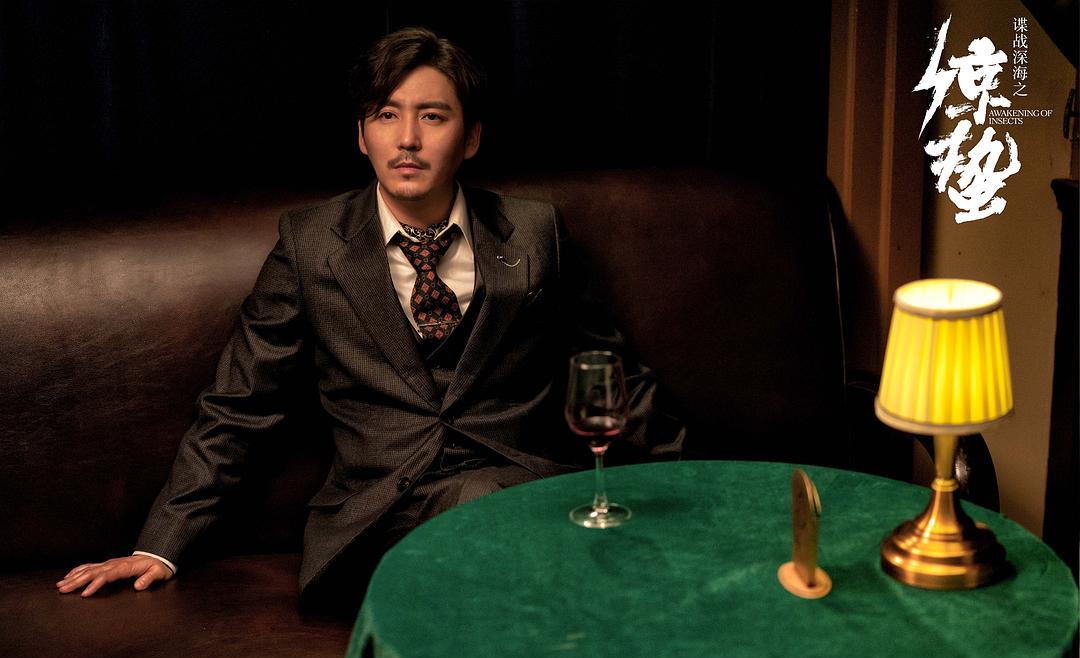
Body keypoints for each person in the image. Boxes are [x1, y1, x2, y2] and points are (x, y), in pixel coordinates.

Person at [57, 27, 679, 611]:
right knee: (514, 531)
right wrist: (160, 545)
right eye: (386, 115)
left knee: (502, 515)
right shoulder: (311, 243)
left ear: (470, 138)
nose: (407, 138)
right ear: (362, 135)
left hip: (515, 493)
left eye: (432, 116)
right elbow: (241, 404)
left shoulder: (535, 231)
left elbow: (612, 376)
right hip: (378, 516)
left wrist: (700, 489)